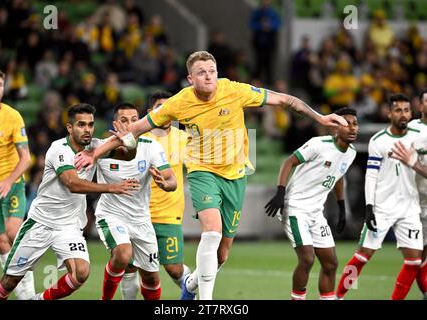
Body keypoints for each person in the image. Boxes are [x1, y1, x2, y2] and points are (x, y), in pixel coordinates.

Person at [74, 51, 348, 300]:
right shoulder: (179, 102)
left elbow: (286, 100)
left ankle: (191, 284)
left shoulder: (234, 90)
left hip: (236, 176)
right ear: (190, 78)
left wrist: (321, 118)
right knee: (212, 232)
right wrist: (94, 155)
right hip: (202, 172)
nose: (208, 76)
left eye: (212, 70)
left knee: (222, 253)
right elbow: (132, 131)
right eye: (202, 72)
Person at [0, 103, 136, 300]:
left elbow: (127, 156)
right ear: (70, 127)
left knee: (81, 273)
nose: (87, 130)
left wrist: (129, 141)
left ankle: (39, 299)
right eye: (81, 125)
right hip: (40, 223)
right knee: (9, 281)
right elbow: (73, 184)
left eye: (90, 125)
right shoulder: (59, 149)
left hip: (68, 227)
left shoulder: (95, 147)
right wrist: (112, 188)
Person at [335, 94, 424, 300]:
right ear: (389, 113)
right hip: (382, 207)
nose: (404, 115)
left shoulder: (418, 138)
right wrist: (369, 207)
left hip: (410, 207)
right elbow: (371, 175)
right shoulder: (379, 141)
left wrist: (415, 162)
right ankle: (338, 296)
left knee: (413, 261)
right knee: (362, 256)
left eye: (407, 110)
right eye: (399, 110)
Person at [265, 107, 358, 300]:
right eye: (346, 123)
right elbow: (288, 162)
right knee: (307, 258)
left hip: (316, 213)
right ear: (335, 128)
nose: (352, 128)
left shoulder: (351, 153)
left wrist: (341, 207)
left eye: (355, 123)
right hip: (295, 208)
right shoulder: (318, 144)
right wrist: (280, 192)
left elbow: (338, 175)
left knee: (331, 263)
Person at [95, 103, 177, 300]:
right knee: (123, 254)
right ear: (115, 124)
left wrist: (164, 184)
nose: (130, 124)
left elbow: (171, 180)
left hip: (141, 219)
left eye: (134, 120)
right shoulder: (101, 149)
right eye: (124, 120)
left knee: (150, 277)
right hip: (111, 215)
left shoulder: (151, 147)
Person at [119, 92, 191, 300]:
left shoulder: (183, 138)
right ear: (150, 113)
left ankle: (198, 295)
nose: (166, 111)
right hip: (137, 214)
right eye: (160, 107)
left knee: (174, 269)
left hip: (169, 215)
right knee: (131, 268)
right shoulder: (138, 139)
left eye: (169, 107)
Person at [0, 68, 35, 299]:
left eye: (0, 85)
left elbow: (26, 158)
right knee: (1, 243)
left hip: (12, 182)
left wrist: (8, 180)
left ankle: (29, 293)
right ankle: (21, 294)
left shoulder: (12, 116)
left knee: (13, 233)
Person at [390, 89, 427, 299]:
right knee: (416, 257)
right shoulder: (411, 130)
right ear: (420, 106)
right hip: (414, 203)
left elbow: (410, 162)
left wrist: (412, 162)